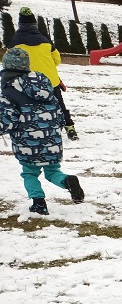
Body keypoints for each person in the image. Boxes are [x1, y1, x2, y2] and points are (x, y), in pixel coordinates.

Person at [0, 48, 84, 215]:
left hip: (27, 142)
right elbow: (58, 111)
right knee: (52, 172)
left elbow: (8, 119)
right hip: (52, 139)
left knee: (29, 174)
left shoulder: (9, 90)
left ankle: (39, 204)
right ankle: (68, 181)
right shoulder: (43, 84)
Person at [11, 6, 77, 140]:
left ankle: (32, 129)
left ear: (20, 24)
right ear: (35, 25)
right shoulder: (46, 41)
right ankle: (70, 127)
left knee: (27, 106)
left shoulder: (14, 43)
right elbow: (57, 60)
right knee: (59, 104)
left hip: (27, 82)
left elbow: (10, 64)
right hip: (50, 80)